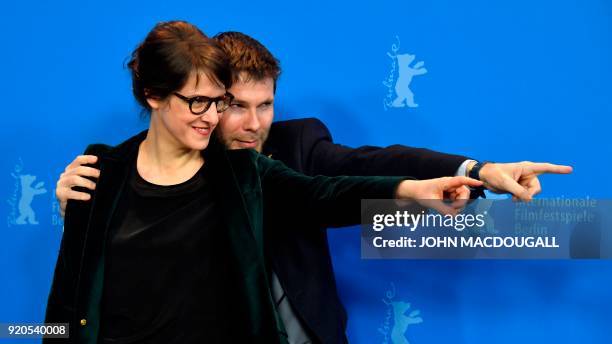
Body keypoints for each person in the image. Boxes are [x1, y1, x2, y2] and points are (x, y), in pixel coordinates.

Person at [45, 21, 482, 344]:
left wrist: (416, 189)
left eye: (218, 103)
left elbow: (327, 192)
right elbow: (68, 302)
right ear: (154, 96)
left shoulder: (246, 170)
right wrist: (72, 216)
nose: (213, 116)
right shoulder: (102, 172)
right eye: (201, 102)